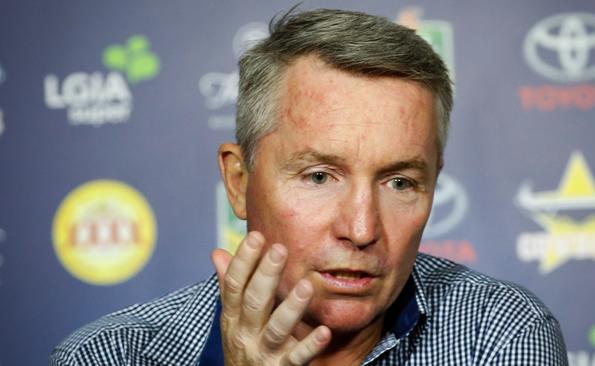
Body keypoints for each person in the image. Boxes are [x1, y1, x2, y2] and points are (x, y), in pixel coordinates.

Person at [51, 8, 568, 366]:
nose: (362, 229)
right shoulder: (111, 355)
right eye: (320, 176)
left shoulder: (497, 336)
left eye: (400, 181)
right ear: (238, 180)